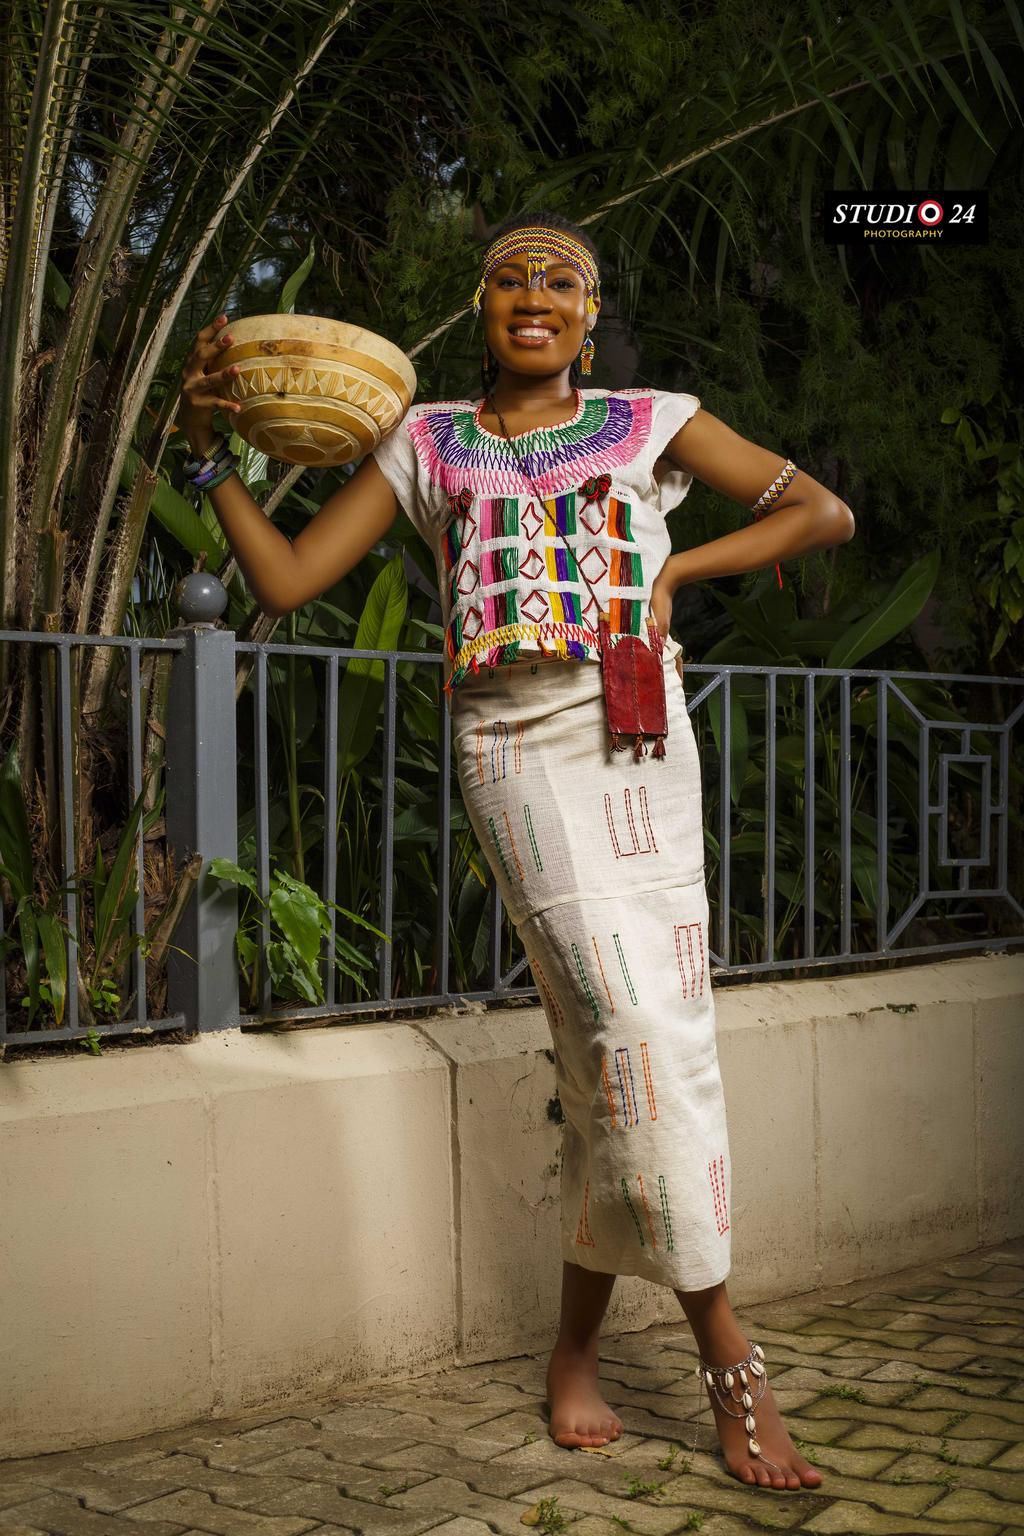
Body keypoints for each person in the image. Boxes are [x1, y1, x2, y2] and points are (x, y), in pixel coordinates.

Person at [180, 211, 852, 1492]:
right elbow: (283, 584)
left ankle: (571, 1355)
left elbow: (820, 511)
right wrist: (207, 455)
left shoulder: (655, 420)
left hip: (641, 744)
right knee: (631, 1028)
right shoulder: (424, 440)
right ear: (479, 309)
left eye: (562, 281)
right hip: (513, 753)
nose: (534, 296)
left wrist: (671, 576)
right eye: (509, 280)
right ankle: (728, 1355)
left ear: (590, 318)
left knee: (631, 1049)